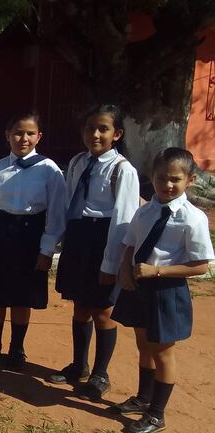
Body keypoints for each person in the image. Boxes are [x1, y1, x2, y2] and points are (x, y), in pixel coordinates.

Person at [111, 148, 213, 433]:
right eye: (160, 178)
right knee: (143, 346)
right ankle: (143, 398)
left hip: (166, 290)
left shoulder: (192, 218)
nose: (167, 185)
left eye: (175, 179)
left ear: (190, 180)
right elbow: (130, 243)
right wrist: (124, 269)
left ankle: (156, 414)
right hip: (138, 285)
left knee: (163, 353)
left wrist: (158, 271)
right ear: (151, 178)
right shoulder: (145, 210)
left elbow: (201, 266)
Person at [50, 105, 140, 399]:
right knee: (79, 306)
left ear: (117, 134)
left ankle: (101, 373)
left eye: (103, 129)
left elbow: (124, 218)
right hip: (78, 238)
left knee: (103, 311)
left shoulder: (122, 169)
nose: (96, 134)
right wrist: (57, 241)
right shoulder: (77, 162)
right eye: (90, 128)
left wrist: (111, 263)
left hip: (104, 240)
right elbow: (67, 204)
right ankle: (79, 364)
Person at [0, 111, 66, 369]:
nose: (23, 138)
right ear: (7, 135)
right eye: (18, 133)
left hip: (30, 237)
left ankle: (17, 348)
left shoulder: (50, 170)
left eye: (30, 133)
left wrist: (47, 250)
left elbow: (56, 215)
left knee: (23, 297)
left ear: (39, 136)